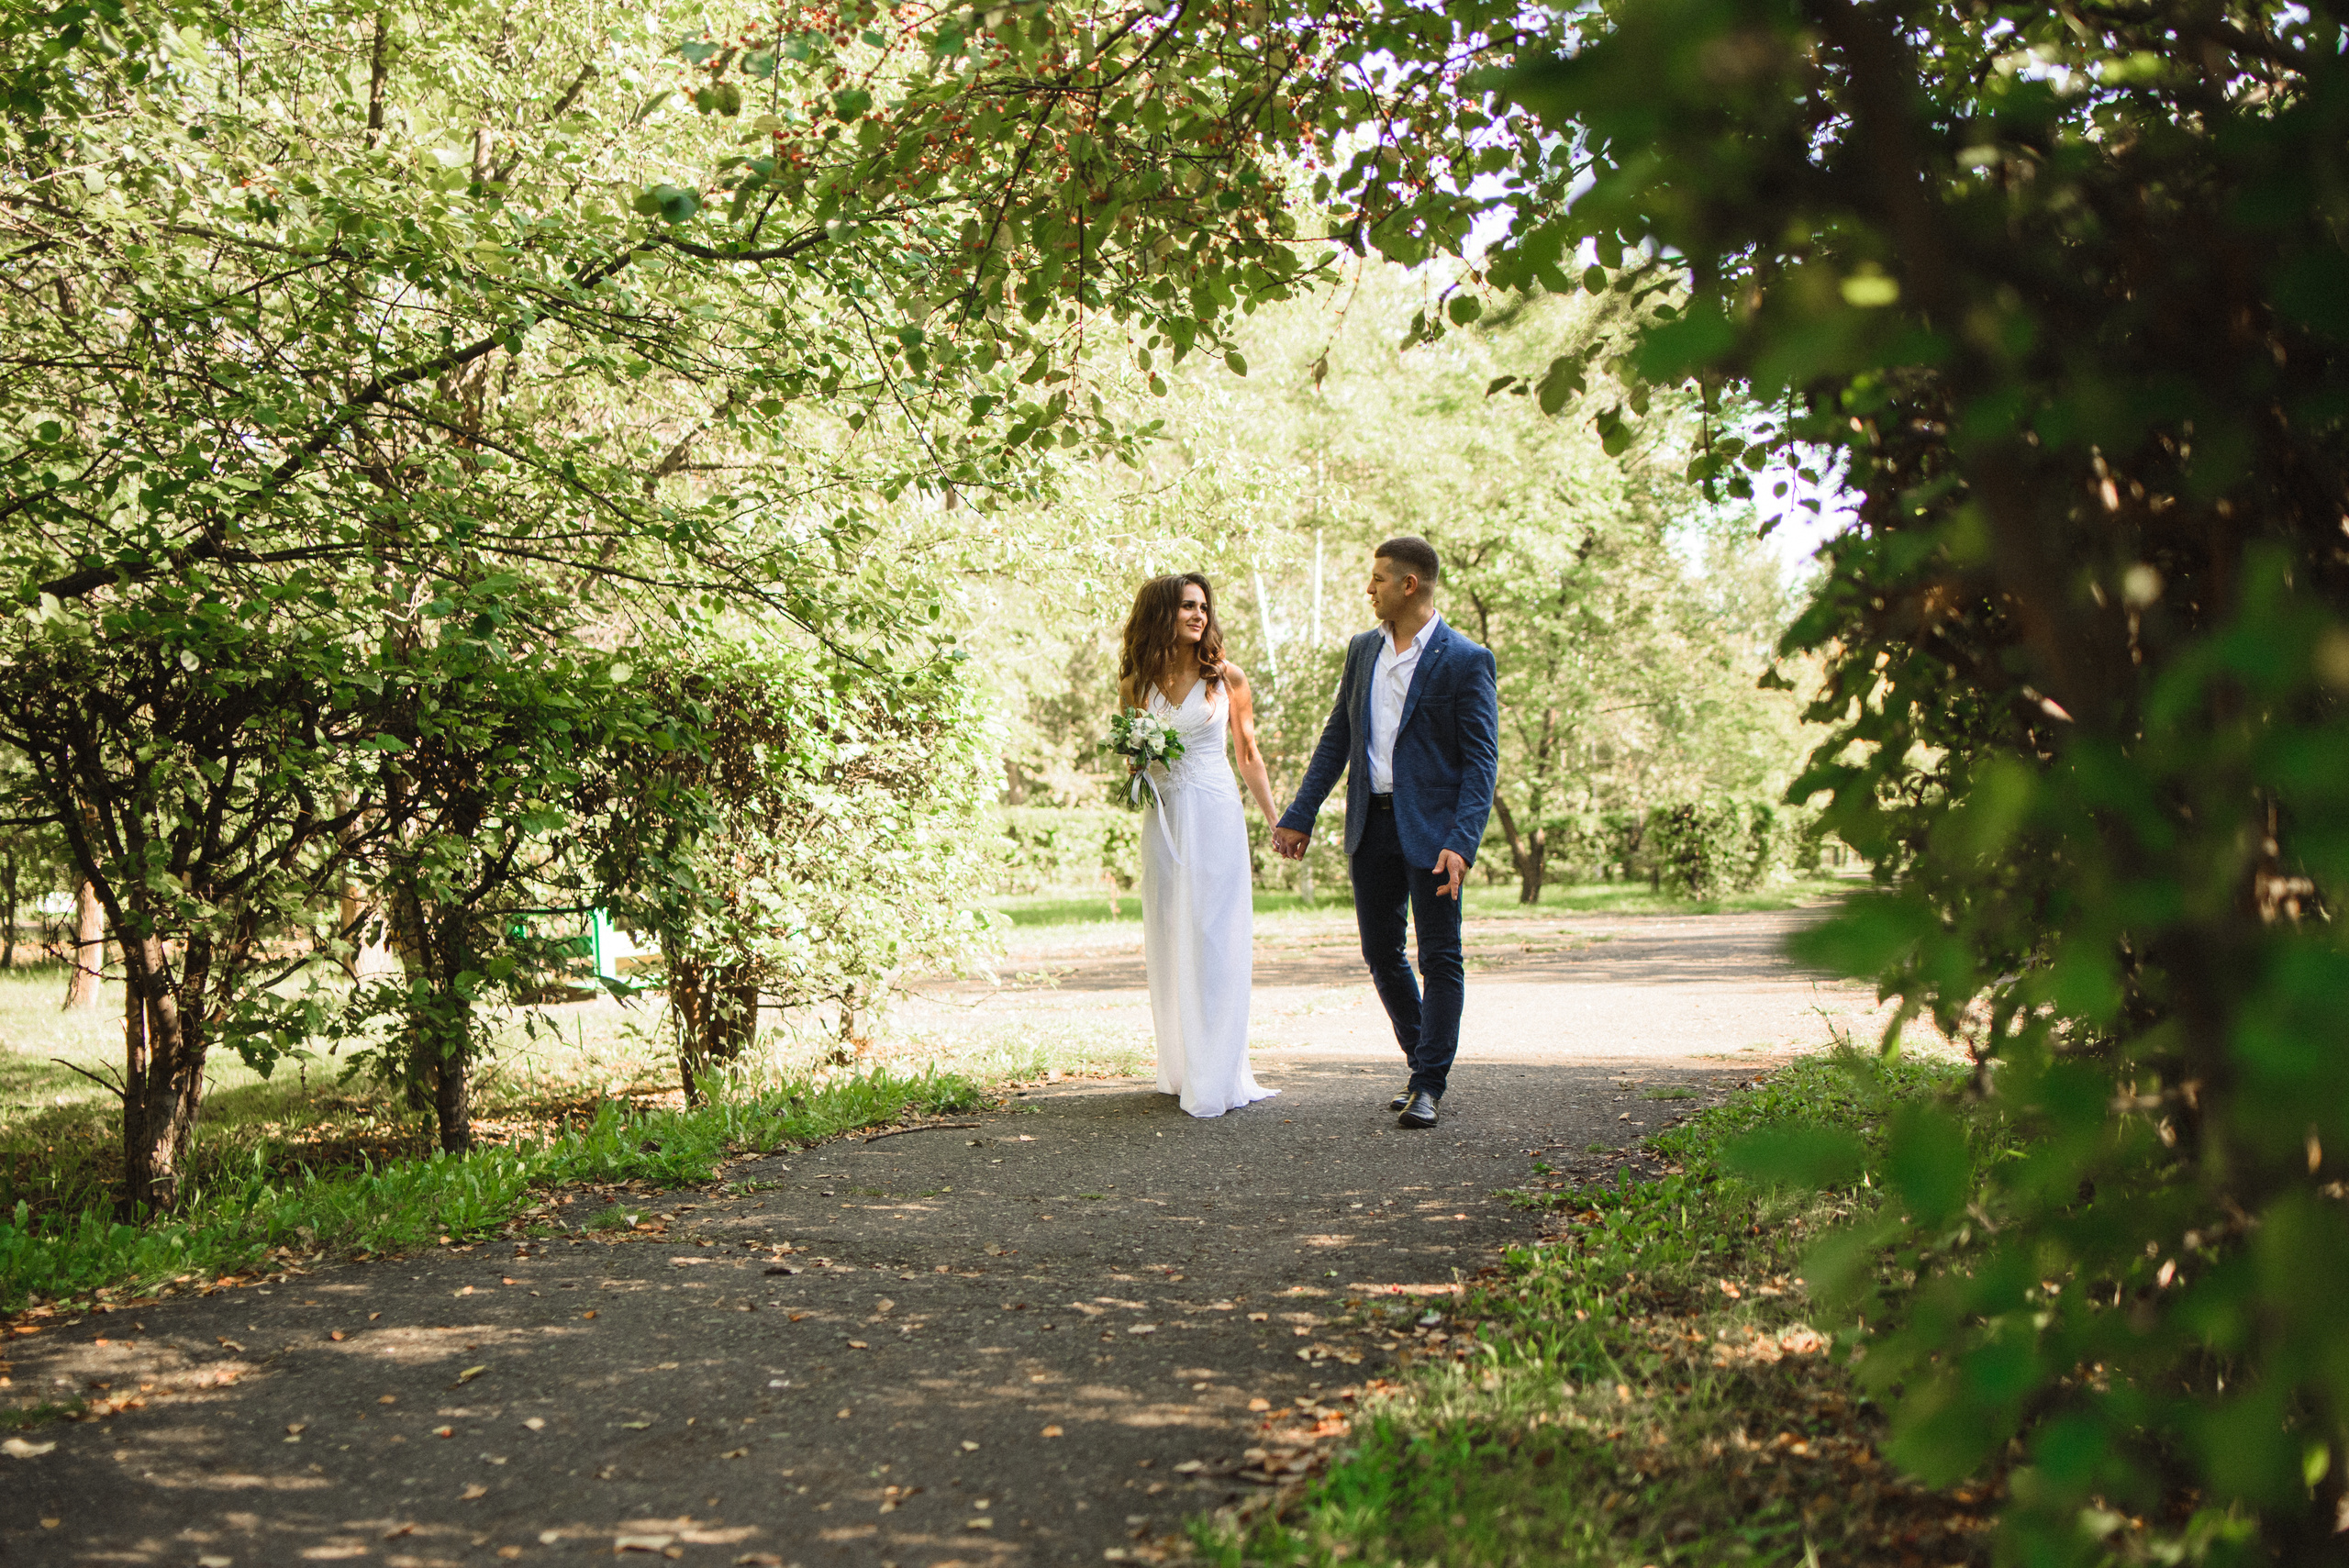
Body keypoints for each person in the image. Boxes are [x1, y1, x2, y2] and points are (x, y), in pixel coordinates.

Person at [1271, 537, 1499, 1129]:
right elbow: (1337, 737)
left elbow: (1481, 762)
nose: (1367, 588)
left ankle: (1428, 1083)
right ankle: (1424, 1061)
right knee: (1380, 951)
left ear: (1409, 585)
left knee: (1440, 956)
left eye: (1377, 579)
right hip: (1370, 822)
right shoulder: (1362, 650)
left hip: (1434, 833)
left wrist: (1462, 840)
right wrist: (1301, 812)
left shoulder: (1465, 659)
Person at [1119, 573, 1283, 1118]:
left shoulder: (1227, 679)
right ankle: (1182, 1065)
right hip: (1164, 818)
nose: (1199, 616)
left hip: (1214, 814)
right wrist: (1138, 759)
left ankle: (1218, 1071)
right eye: (1188, 606)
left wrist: (1277, 820)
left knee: (1215, 934)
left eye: (1204, 608)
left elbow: (1249, 755)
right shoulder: (1135, 683)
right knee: (1170, 931)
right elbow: (1132, 759)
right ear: (1161, 613)